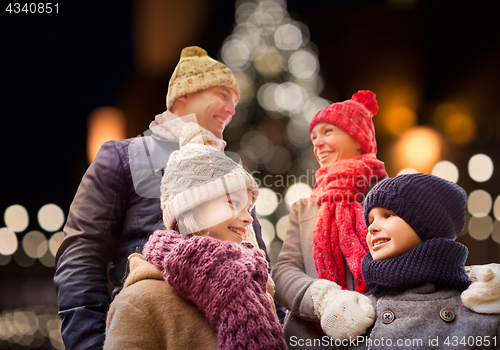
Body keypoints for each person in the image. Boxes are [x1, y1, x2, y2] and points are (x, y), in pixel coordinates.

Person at [54, 46, 271, 350]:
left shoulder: (231, 171)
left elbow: (258, 256)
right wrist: (91, 345)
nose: (231, 108)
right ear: (184, 96)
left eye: (235, 101)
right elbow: (81, 255)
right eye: (222, 95)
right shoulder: (122, 157)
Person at [272, 91, 500, 349]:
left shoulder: (392, 194)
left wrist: (472, 278)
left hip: (382, 326)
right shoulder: (305, 207)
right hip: (312, 335)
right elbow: (284, 271)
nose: (318, 143)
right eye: (314, 137)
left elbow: (424, 259)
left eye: (327, 132)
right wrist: (325, 301)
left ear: (358, 137)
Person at [104, 129, 287, 350]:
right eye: (234, 203)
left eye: (248, 208)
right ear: (191, 208)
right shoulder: (139, 302)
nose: (248, 218)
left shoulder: (257, 287)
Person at [355, 173, 500, 349]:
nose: (371, 227)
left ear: (429, 224)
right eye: (370, 220)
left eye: (388, 215)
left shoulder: (482, 304)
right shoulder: (358, 312)